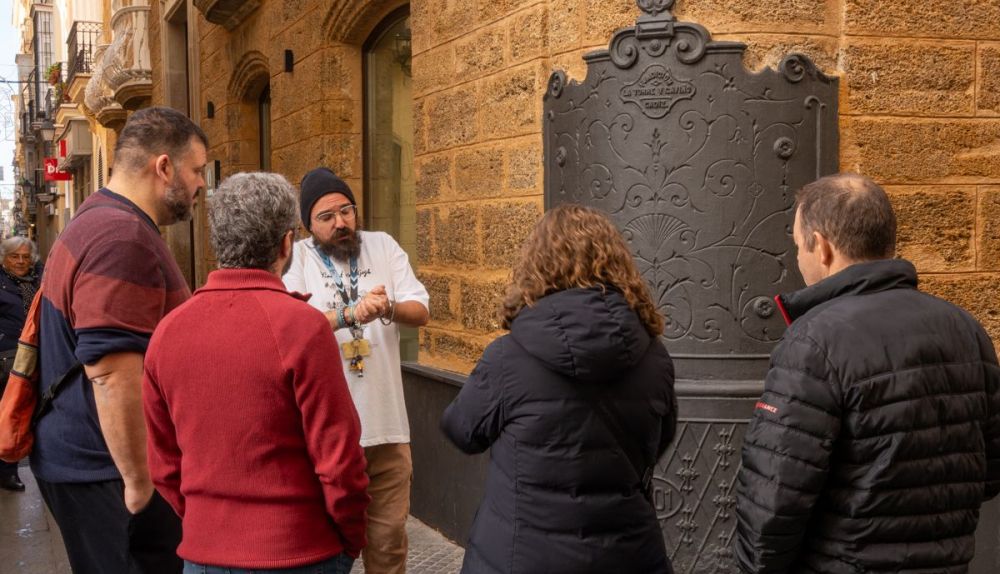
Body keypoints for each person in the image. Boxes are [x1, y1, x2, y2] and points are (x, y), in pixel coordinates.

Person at [734, 173, 1000, 573]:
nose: (798, 259)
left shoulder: (814, 340)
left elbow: (774, 497)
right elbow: (989, 468)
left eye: (797, 246)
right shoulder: (966, 327)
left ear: (821, 246)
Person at [144, 172, 370, 574]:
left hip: (204, 553)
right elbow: (339, 459)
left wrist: (206, 525)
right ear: (287, 243)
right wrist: (350, 539)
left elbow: (163, 463)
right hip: (299, 550)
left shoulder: (168, 333)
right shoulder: (302, 327)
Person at [441, 204, 677, 574]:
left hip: (521, 554)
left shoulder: (507, 357)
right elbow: (660, 439)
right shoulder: (655, 355)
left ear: (537, 265)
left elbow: (462, 431)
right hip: (628, 553)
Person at [30, 106, 207, 574]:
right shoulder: (121, 237)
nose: (201, 185)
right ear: (164, 166)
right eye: (197, 170)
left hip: (85, 463)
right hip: (105, 471)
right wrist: (140, 484)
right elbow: (111, 373)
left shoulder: (100, 216)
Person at [283, 167, 428, 574]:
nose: (340, 223)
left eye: (346, 210)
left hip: (387, 429)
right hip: (325, 435)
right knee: (326, 548)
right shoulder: (298, 257)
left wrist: (388, 308)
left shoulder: (382, 246)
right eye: (326, 217)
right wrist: (349, 313)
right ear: (308, 224)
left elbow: (421, 310)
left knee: (388, 543)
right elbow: (294, 322)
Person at [0, 236, 42, 491]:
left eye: (25, 257)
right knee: (9, 413)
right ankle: (7, 471)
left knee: (25, 412)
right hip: (6, 357)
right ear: (4, 259)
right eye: (14, 256)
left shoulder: (37, 281)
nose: (20, 261)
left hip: (34, 354)